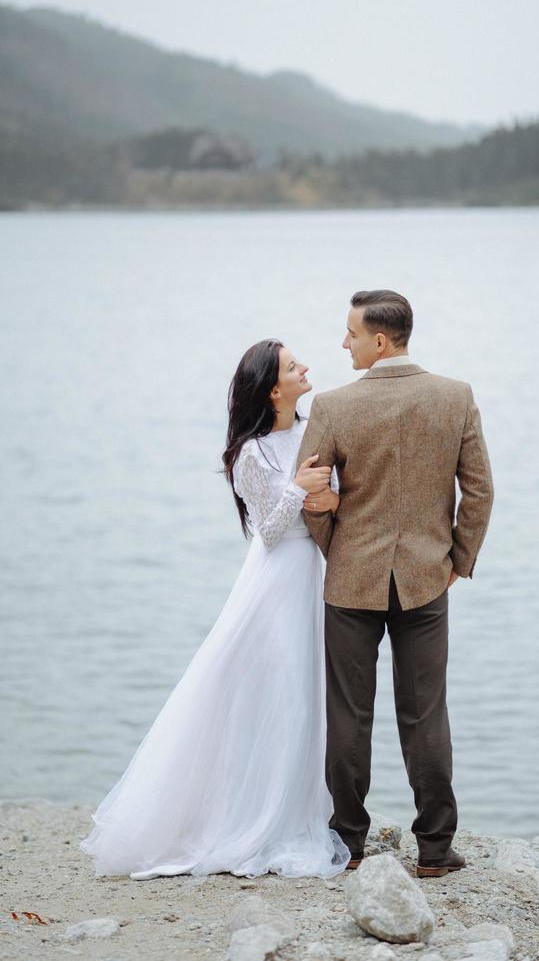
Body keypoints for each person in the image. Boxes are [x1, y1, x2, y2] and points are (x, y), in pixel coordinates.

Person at [79, 339, 350, 880]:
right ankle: (250, 817)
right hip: (274, 582)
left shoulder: (312, 429)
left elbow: (335, 496)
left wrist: (328, 497)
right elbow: (269, 531)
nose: (306, 368)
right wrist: (298, 490)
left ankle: (295, 811)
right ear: (274, 389)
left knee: (302, 695)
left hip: (311, 578)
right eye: (295, 366)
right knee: (271, 689)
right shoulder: (251, 454)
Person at [297, 289, 494, 879]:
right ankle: (435, 849)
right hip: (427, 580)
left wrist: (338, 546)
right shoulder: (455, 397)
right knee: (425, 714)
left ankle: (349, 845)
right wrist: (457, 561)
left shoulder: (333, 407)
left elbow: (309, 495)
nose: (344, 343)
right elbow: (479, 492)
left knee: (349, 715)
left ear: (380, 340)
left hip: (350, 583)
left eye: (351, 334)